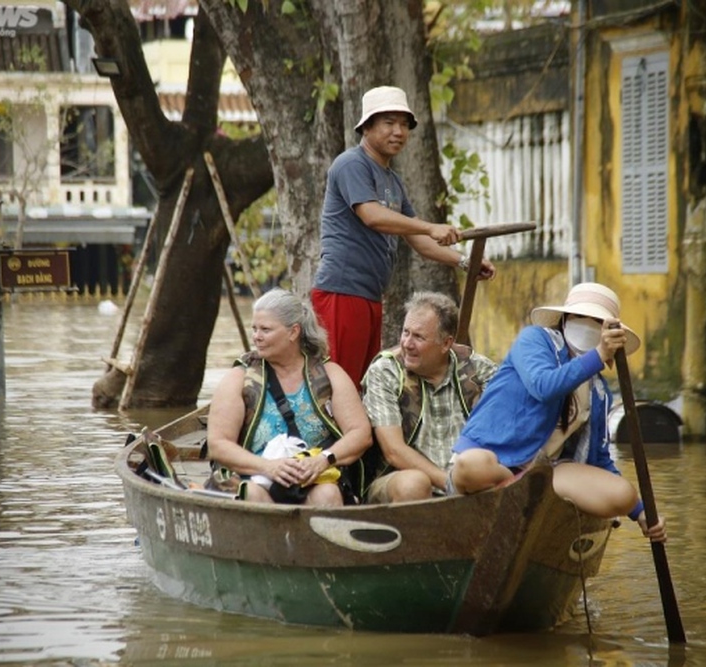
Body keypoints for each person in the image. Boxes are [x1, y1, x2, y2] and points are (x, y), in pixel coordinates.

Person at [449, 282, 667, 542]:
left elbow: (598, 459)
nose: (586, 324)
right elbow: (543, 386)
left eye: (596, 321)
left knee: (623, 495)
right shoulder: (534, 340)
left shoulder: (598, 390)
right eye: (578, 317)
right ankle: (518, 489)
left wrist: (641, 512)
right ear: (564, 319)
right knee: (470, 466)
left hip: (548, 474)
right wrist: (598, 354)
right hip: (496, 464)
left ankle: (532, 492)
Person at [311, 85, 496, 388]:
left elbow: (418, 240)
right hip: (343, 291)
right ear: (367, 127)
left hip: (369, 294)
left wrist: (465, 262)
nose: (398, 131)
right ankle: (337, 436)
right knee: (339, 383)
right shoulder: (351, 164)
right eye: (388, 122)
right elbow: (371, 215)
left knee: (360, 381)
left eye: (403, 124)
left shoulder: (392, 180)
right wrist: (430, 227)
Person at [206, 288, 372, 506]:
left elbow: (360, 434)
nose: (257, 337)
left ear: (293, 332)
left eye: (265, 329)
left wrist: (323, 460)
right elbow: (218, 444)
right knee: (253, 494)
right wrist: (268, 467)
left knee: (328, 495)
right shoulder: (239, 378)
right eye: (254, 329)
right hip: (255, 476)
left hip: (316, 477)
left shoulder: (330, 374)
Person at [361, 292, 497, 503]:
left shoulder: (480, 370)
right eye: (405, 332)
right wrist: (451, 484)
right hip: (398, 478)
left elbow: (502, 434)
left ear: (445, 344)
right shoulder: (385, 371)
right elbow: (394, 451)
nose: (407, 343)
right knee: (414, 484)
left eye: (418, 337)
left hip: (467, 477)